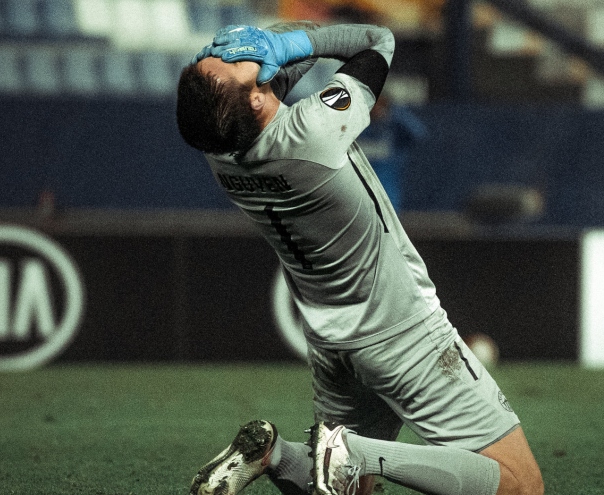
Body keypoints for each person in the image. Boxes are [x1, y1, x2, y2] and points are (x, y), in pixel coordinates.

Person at [176, 21, 544, 495]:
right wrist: (283, 42)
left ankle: (276, 455)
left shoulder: (220, 147)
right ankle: (355, 452)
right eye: (222, 63)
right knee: (521, 485)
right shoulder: (311, 131)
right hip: (402, 331)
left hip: (331, 338)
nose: (220, 52)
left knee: (352, 490)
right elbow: (375, 41)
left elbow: (278, 70)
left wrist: (263, 50)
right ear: (256, 99)